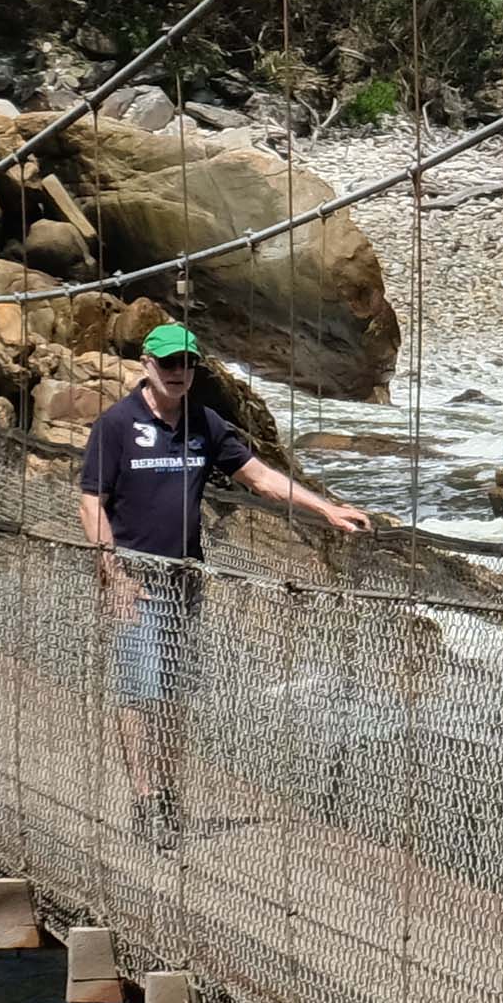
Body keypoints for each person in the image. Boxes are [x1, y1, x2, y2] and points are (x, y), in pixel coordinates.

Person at [74, 320, 371, 841]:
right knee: (140, 694)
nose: (179, 372)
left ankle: (167, 794)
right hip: (137, 579)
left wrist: (327, 509)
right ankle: (146, 800)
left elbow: (260, 477)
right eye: (169, 363)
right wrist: (112, 574)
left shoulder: (204, 423)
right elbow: (91, 502)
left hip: (186, 578)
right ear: (147, 364)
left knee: (173, 695)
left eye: (188, 363)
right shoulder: (116, 425)